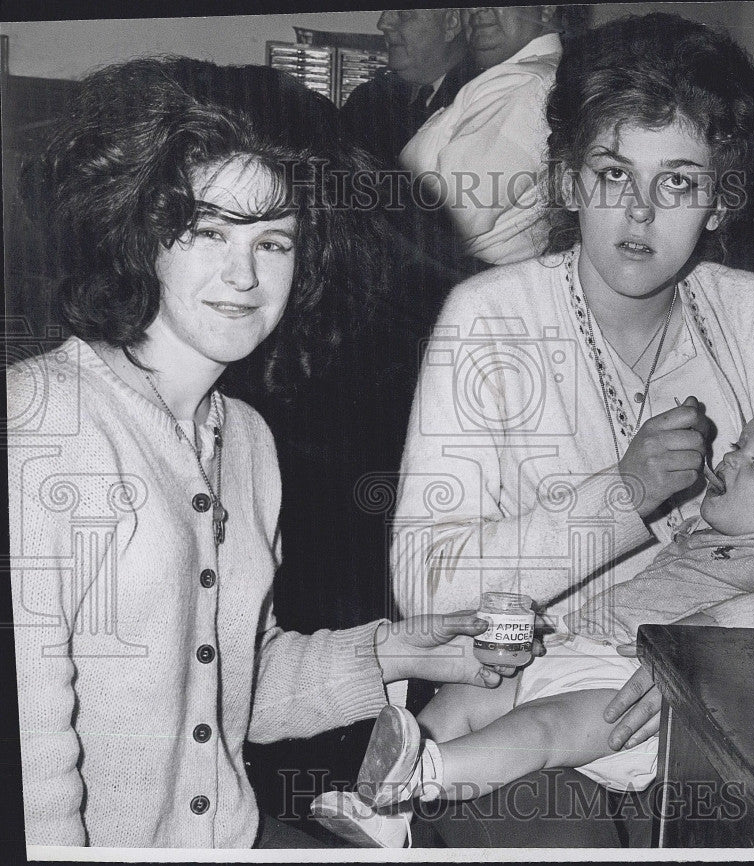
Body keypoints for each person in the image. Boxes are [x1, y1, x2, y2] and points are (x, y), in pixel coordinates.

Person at [390, 12, 754, 846]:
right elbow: (425, 584)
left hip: (720, 703)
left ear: (718, 201)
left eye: (678, 182)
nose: (639, 211)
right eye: (611, 172)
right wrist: (620, 496)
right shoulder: (490, 318)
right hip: (514, 707)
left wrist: (716, 660)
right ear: (564, 181)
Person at [6, 57, 517, 850]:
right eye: (206, 230)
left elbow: (235, 683)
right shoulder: (38, 425)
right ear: (136, 231)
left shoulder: (243, 438)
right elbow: (31, 752)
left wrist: (392, 649)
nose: (244, 273)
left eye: (273, 240)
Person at [313, 397, 754, 847]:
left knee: (539, 730)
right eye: (739, 445)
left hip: (630, 696)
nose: (732, 458)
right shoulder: (706, 534)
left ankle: (423, 775)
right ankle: (388, 811)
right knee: (467, 695)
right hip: (584, 651)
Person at [399, 6, 564, 265]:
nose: (475, 9)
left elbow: (446, 214)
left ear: (546, 9)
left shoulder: (526, 87)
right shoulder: (515, 78)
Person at [339, 9, 478, 169]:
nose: (382, 24)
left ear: (451, 23)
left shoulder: (483, 105)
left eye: (403, 13)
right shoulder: (366, 101)